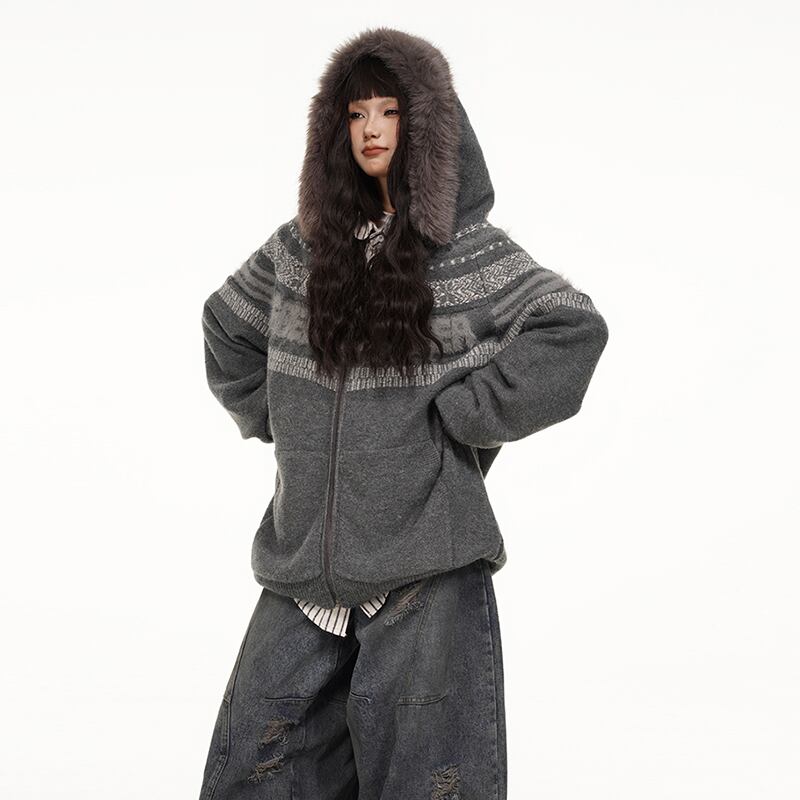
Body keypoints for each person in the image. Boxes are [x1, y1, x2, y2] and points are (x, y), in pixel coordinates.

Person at [198, 27, 609, 800]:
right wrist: (282, 418)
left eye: (390, 111)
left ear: (427, 128)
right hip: (302, 566)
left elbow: (571, 328)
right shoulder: (297, 252)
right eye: (357, 113)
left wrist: (467, 415)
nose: (373, 129)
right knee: (254, 772)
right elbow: (226, 325)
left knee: (429, 785)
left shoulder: (466, 254)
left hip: (427, 564)